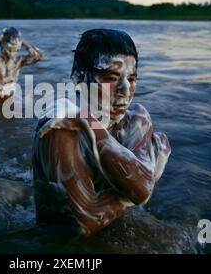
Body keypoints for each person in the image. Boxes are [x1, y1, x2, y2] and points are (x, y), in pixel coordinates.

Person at [32, 29, 171, 237]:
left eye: (131, 79)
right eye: (111, 78)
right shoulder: (59, 128)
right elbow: (82, 223)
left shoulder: (135, 118)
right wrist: (150, 174)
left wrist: (92, 128)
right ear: (79, 79)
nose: (125, 90)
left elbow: (140, 190)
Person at [0, 27, 44, 104]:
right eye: (11, 46)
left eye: (16, 48)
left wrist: (22, 41)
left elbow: (39, 56)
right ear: (2, 43)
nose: (14, 50)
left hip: (9, 107)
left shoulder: (17, 61)